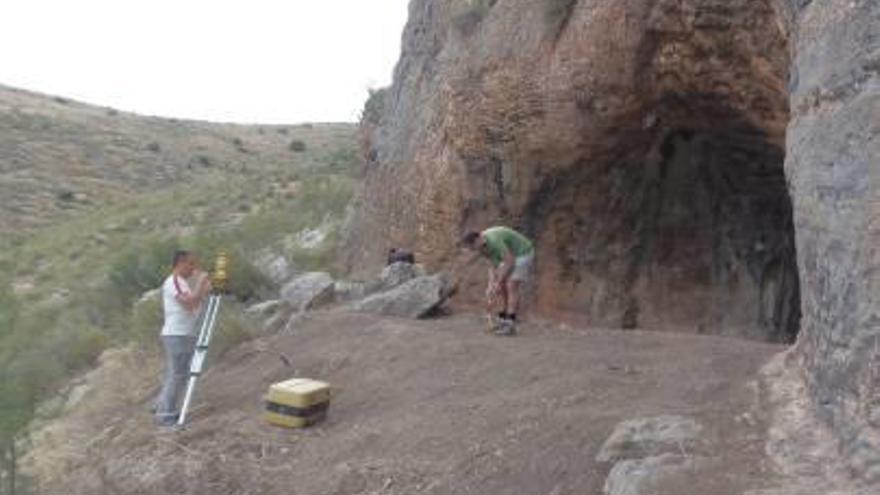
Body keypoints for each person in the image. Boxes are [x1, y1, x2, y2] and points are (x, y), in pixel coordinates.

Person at [154, 250, 211, 427]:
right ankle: (165, 414)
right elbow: (189, 303)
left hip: (184, 333)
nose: (194, 268)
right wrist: (201, 284)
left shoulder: (183, 283)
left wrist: (203, 290)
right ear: (180, 264)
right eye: (191, 264)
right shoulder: (174, 282)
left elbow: (193, 305)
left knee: (178, 374)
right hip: (176, 334)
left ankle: (161, 406)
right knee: (178, 375)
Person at [462, 226, 535, 336]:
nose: (474, 250)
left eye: (473, 246)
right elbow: (492, 265)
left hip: (523, 252)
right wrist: (491, 285)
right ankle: (503, 319)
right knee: (501, 287)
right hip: (510, 257)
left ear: (478, 239)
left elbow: (510, 261)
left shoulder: (494, 240)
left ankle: (510, 325)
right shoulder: (481, 247)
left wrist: (498, 281)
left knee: (511, 285)